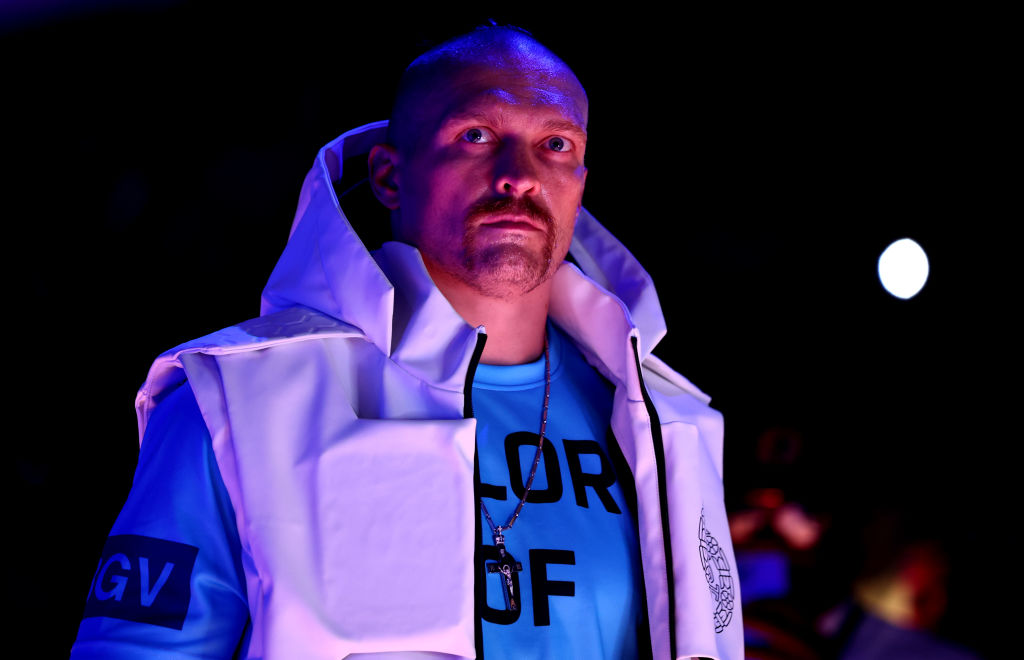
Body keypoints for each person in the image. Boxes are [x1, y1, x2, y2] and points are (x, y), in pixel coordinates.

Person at [71, 25, 743, 659]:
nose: (520, 174)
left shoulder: (672, 426)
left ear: (580, 184)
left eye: (556, 144)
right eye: (477, 134)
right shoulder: (238, 403)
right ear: (390, 177)